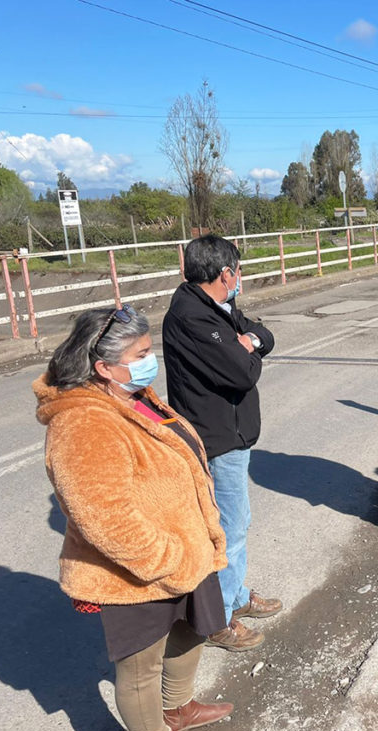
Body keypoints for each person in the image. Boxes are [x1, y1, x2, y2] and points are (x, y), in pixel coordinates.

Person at [34, 305, 231, 731]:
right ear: (103, 367)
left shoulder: (133, 394)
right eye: (141, 353)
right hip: (139, 568)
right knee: (140, 666)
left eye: (149, 349)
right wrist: (170, 560)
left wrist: (193, 545)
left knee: (192, 631)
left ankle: (177, 709)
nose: (150, 360)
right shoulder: (83, 423)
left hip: (185, 547)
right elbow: (105, 519)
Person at [163, 234, 282, 652]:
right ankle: (220, 618)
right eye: (238, 271)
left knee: (237, 523)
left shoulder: (219, 307)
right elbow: (242, 373)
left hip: (233, 433)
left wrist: (249, 340)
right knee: (228, 528)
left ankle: (233, 595)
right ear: (224, 273)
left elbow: (261, 335)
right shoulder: (192, 316)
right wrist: (247, 347)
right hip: (217, 440)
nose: (240, 279)